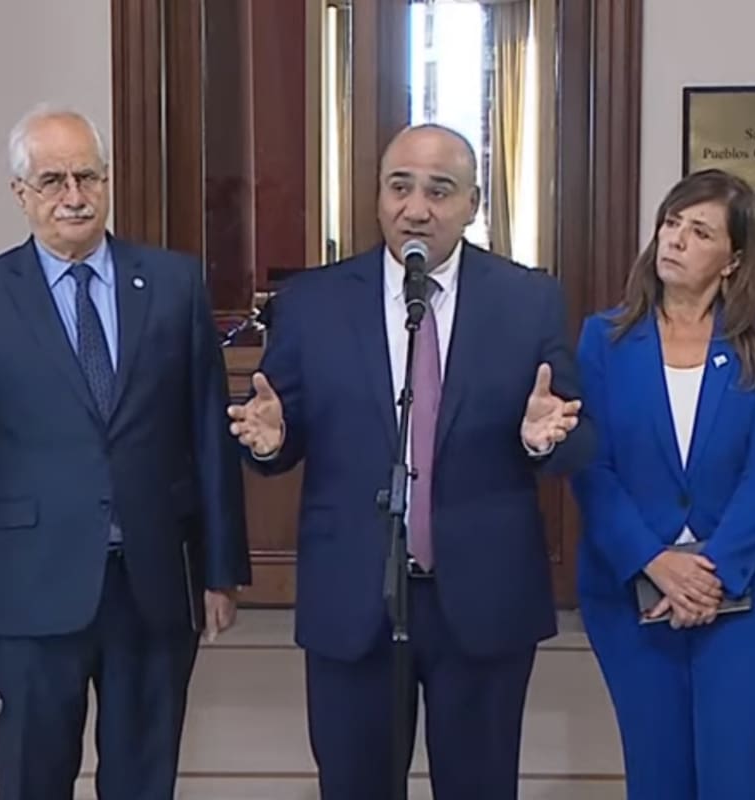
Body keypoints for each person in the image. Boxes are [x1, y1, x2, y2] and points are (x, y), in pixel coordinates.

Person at [227, 123, 595, 799]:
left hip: (482, 598)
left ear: (473, 204)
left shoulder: (527, 299)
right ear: (377, 195)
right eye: (400, 187)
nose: (416, 208)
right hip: (354, 595)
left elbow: (573, 433)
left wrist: (542, 438)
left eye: (439, 190)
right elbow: (284, 429)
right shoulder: (312, 302)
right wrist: (272, 439)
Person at [0, 104, 251, 800]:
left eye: (87, 177)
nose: (73, 196)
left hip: (151, 585)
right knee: (30, 779)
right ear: (21, 194)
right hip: (25, 591)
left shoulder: (173, 285)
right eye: (52, 181)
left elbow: (206, 433)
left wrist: (221, 569)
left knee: (144, 778)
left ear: (107, 181)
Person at [570, 168, 755, 799]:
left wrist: (712, 573)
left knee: (738, 769)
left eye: (700, 232)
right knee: (658, 768)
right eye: (672, 223)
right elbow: (591, 466)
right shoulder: (604, 339)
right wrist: (655, 561)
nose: (675, 239)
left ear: (733, 260)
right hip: (631, 584)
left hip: (742, 584)